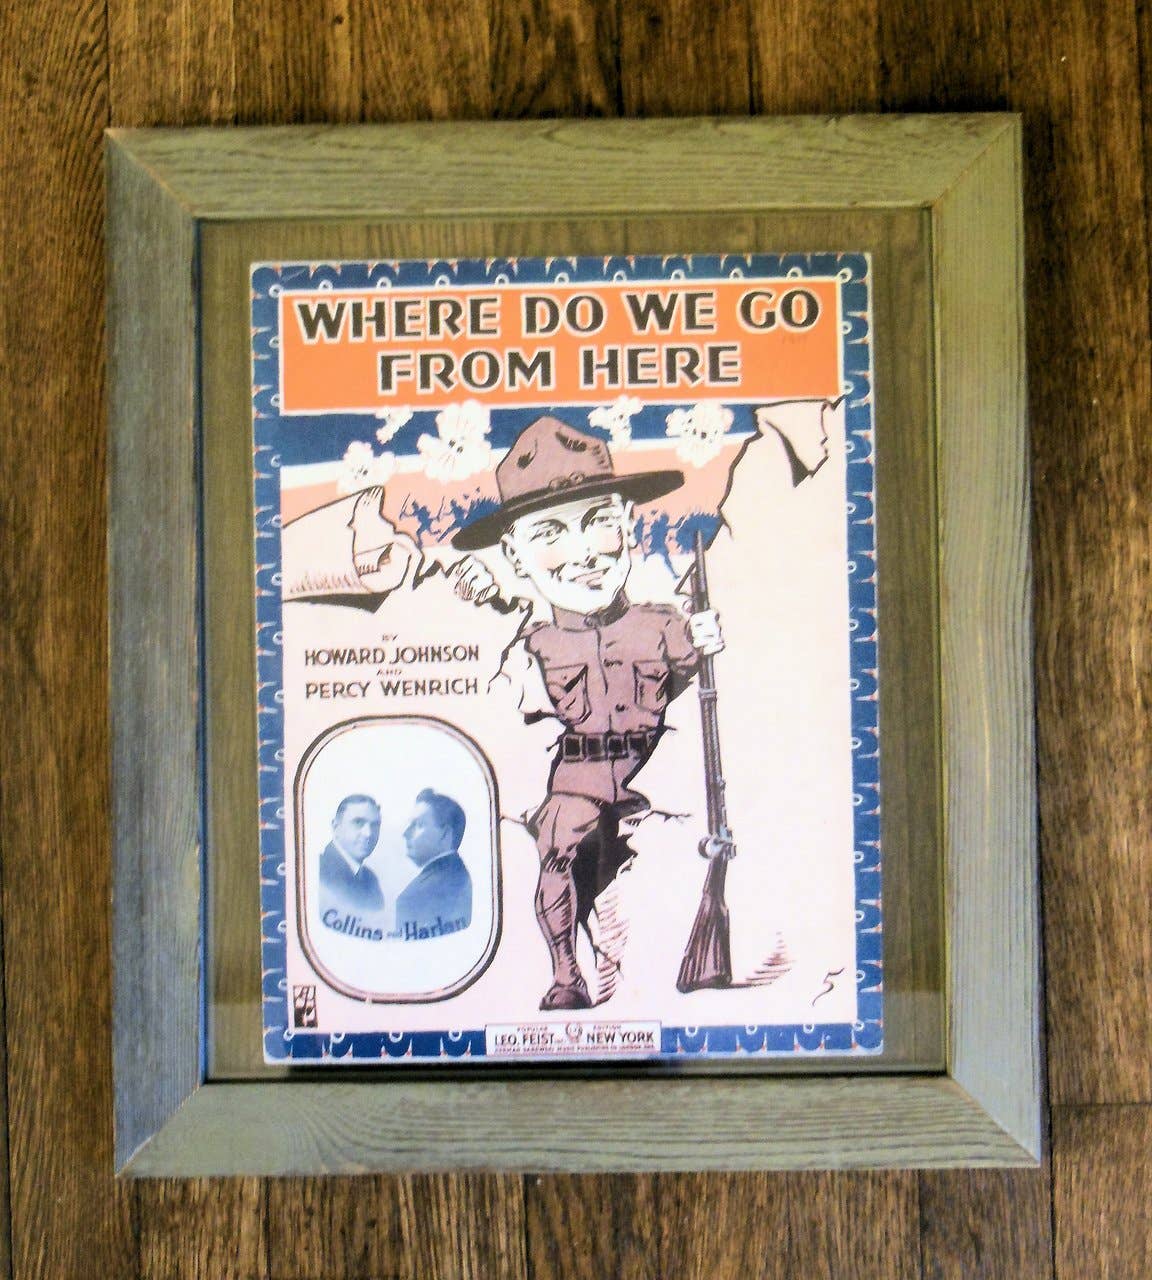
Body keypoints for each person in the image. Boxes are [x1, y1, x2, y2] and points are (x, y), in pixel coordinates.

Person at [452, 415, 722, 1010]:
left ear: (628, 524)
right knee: (558, 842)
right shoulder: (534, 646)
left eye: (599, 522)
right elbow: (511, 728)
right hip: (578, 780)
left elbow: (690, 692)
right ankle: (565, 973)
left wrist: (703, 646)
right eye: (549, 534)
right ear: (515, 555)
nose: (583, 553)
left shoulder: (664, 624)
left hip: (653, 777)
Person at [394, 789, 473, 939]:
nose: (406, 833)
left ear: (445, 834)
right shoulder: (461, 875)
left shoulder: (412, 898)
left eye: (418, 825)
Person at [318, 794, 385, 925]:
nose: (368, 833)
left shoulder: (370, 879)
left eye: (375, 825)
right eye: (358, 823)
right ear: (336, 828)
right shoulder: (318, 872)